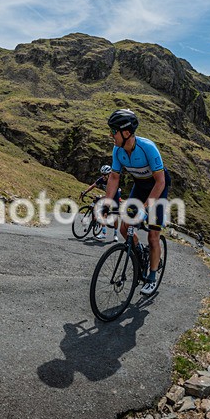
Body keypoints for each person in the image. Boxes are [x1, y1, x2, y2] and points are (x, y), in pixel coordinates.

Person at [103, 109, 171, 295]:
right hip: (140, 187)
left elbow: (160, 181)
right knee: (124, 228)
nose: (111, 135)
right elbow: (114, 177)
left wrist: (146, 208)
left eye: (114, 131)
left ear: (126, 133)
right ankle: (140, 252)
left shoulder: (148, 147)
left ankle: (152, 277)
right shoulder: (118, 150)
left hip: (158, 187)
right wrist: (107, 204)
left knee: (153, 235)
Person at [80, 165, 121, 241]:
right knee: (103, 213)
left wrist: (102, 197)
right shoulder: (102, 179)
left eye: (105, 174)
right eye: (102, 174)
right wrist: (85, 191)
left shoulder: (112, 181)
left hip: (115, 196)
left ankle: (115, 234)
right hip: (108, 196)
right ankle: (103, 233)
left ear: (109, 174)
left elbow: (111, 194)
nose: (103, 176)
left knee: (115, 215)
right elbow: (93, 186)